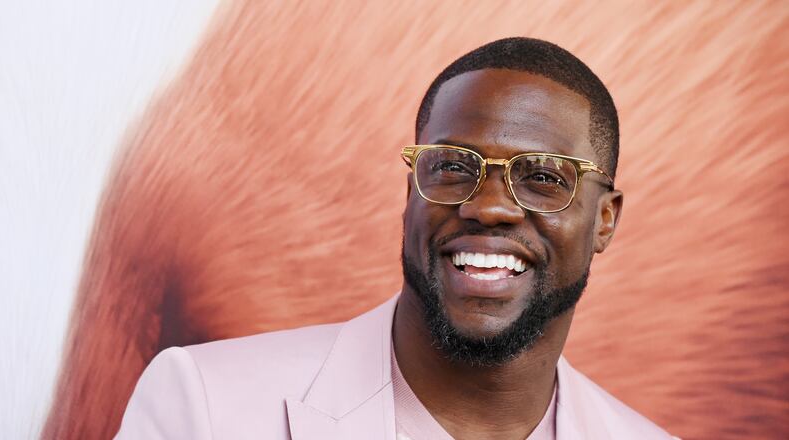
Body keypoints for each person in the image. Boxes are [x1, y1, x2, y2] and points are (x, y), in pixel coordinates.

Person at [115, 37, 677, 439]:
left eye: (544, 178)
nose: (487, 207)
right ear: (411, 192)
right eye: (453, 167)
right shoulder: (205, 405)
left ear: (605, 220)